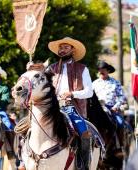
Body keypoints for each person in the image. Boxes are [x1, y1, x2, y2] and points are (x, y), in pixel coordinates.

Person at [48, 37, 93, 169]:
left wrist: (72, 94)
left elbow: (89, 92)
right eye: (61, 48)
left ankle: (83, 164)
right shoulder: (51, 69)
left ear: (72, 50)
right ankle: (24, 159)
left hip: (71, 107)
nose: (62, 50)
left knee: (83, 132)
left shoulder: (82, 69)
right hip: (52, 107)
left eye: (66, 47)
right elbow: (42, 84)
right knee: (27, 126)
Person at [92, 61, 127, 154]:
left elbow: (121, 97)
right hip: (97, 109)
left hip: (112, 108)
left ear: (108, 71)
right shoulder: (94, 83)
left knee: (120, 123)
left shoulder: (115, 83)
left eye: (103, 70)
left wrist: (116, 106)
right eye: (99, 70)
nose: (101, 72)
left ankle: (120, 147)